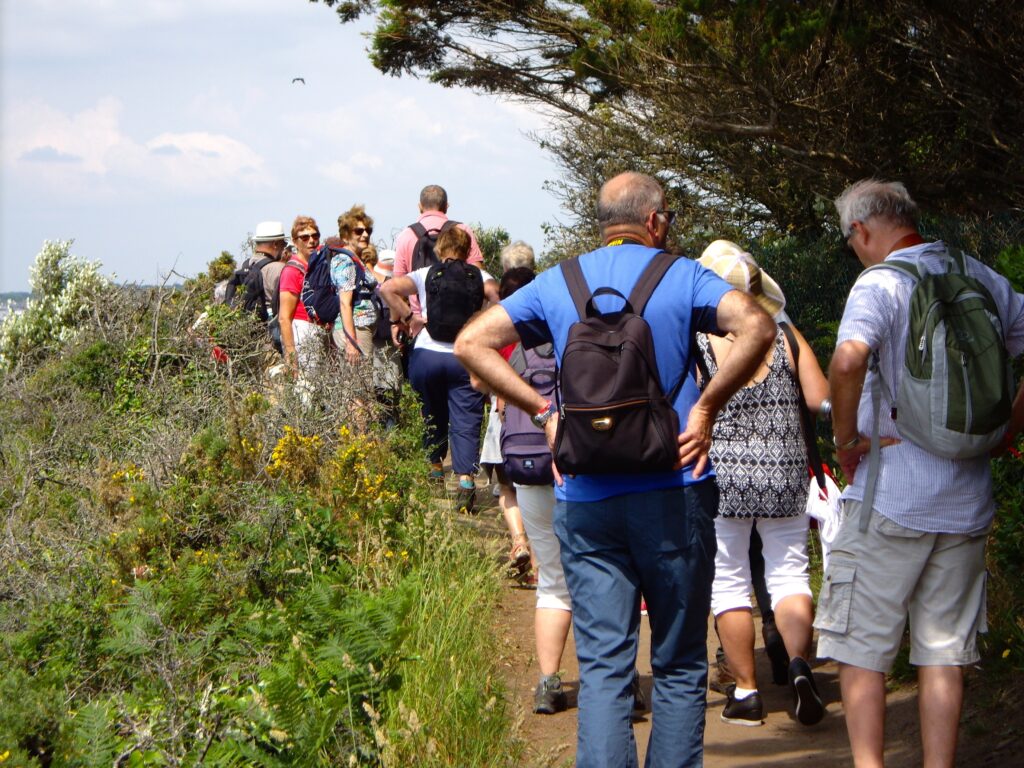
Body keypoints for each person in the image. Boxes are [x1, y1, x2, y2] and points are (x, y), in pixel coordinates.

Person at [454, 171, 776, 767]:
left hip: (586, 496)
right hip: (674, 490)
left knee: (604, 667)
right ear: (655, 220)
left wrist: (542, 410)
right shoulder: (683, 275)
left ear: (605, 222)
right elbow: (757, 324)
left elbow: (471, 343)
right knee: (678, 663)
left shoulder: (559, 282)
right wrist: (705, 408)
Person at [819, 179, 1024, 768]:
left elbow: (849, 358)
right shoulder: (978, 274)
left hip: (890, 496)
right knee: (943, 653)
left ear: (861, 230)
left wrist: (847, 442)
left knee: (864, 648)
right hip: (967, 500)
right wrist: (1010, 425)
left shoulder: (879, 282)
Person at [694, 240, 829, 727]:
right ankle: (798, 667)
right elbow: (819, 399)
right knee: (789, 573)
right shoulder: (786, 336)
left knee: (728, 582)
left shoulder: (698, 342)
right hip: (785, 470)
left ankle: (747, 692)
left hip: (723, 476)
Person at [382, 226, 500, 511]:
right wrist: (480, 322)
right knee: (466, 418)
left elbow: (387, 288)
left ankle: (435, 469)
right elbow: (498, 300)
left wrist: (411, 317)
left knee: (431, 412)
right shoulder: (481, 277)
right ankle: (465, 482)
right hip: (465, 356)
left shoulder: (426, 274)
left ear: (440, 249)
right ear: (467, 250)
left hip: (427, 355)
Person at [392, 184, 484, 322]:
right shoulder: (463, 230)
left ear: (420, 207)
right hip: (462, 317)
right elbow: (478, 273)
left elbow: (397, 285)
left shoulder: (406, 235)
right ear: (446, 206)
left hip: (422, 320)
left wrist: (397, 321)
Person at [279, 216, 327, 376]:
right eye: (305, 237)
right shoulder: (292, 271)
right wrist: (291, 355)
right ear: (295, 241)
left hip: (319, 331)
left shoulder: (318, 265)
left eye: (315, 236)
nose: (311, 241)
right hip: (302, 333)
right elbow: (284, 317)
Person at [331, 205, 378, 367]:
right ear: (345, 235)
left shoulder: (356, 259)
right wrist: (351, 342)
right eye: (358, 231)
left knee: (361, 383)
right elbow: (345, 303)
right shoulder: (345, 261)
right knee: (359, 385)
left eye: (368, 230)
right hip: (355, 329)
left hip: (361, 327)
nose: (365, 235)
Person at [252, 221, 288, 311]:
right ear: (275, 244)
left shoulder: (244, 265)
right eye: (284, 244)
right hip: (270, 323)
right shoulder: (279, 268)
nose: (284, 248)